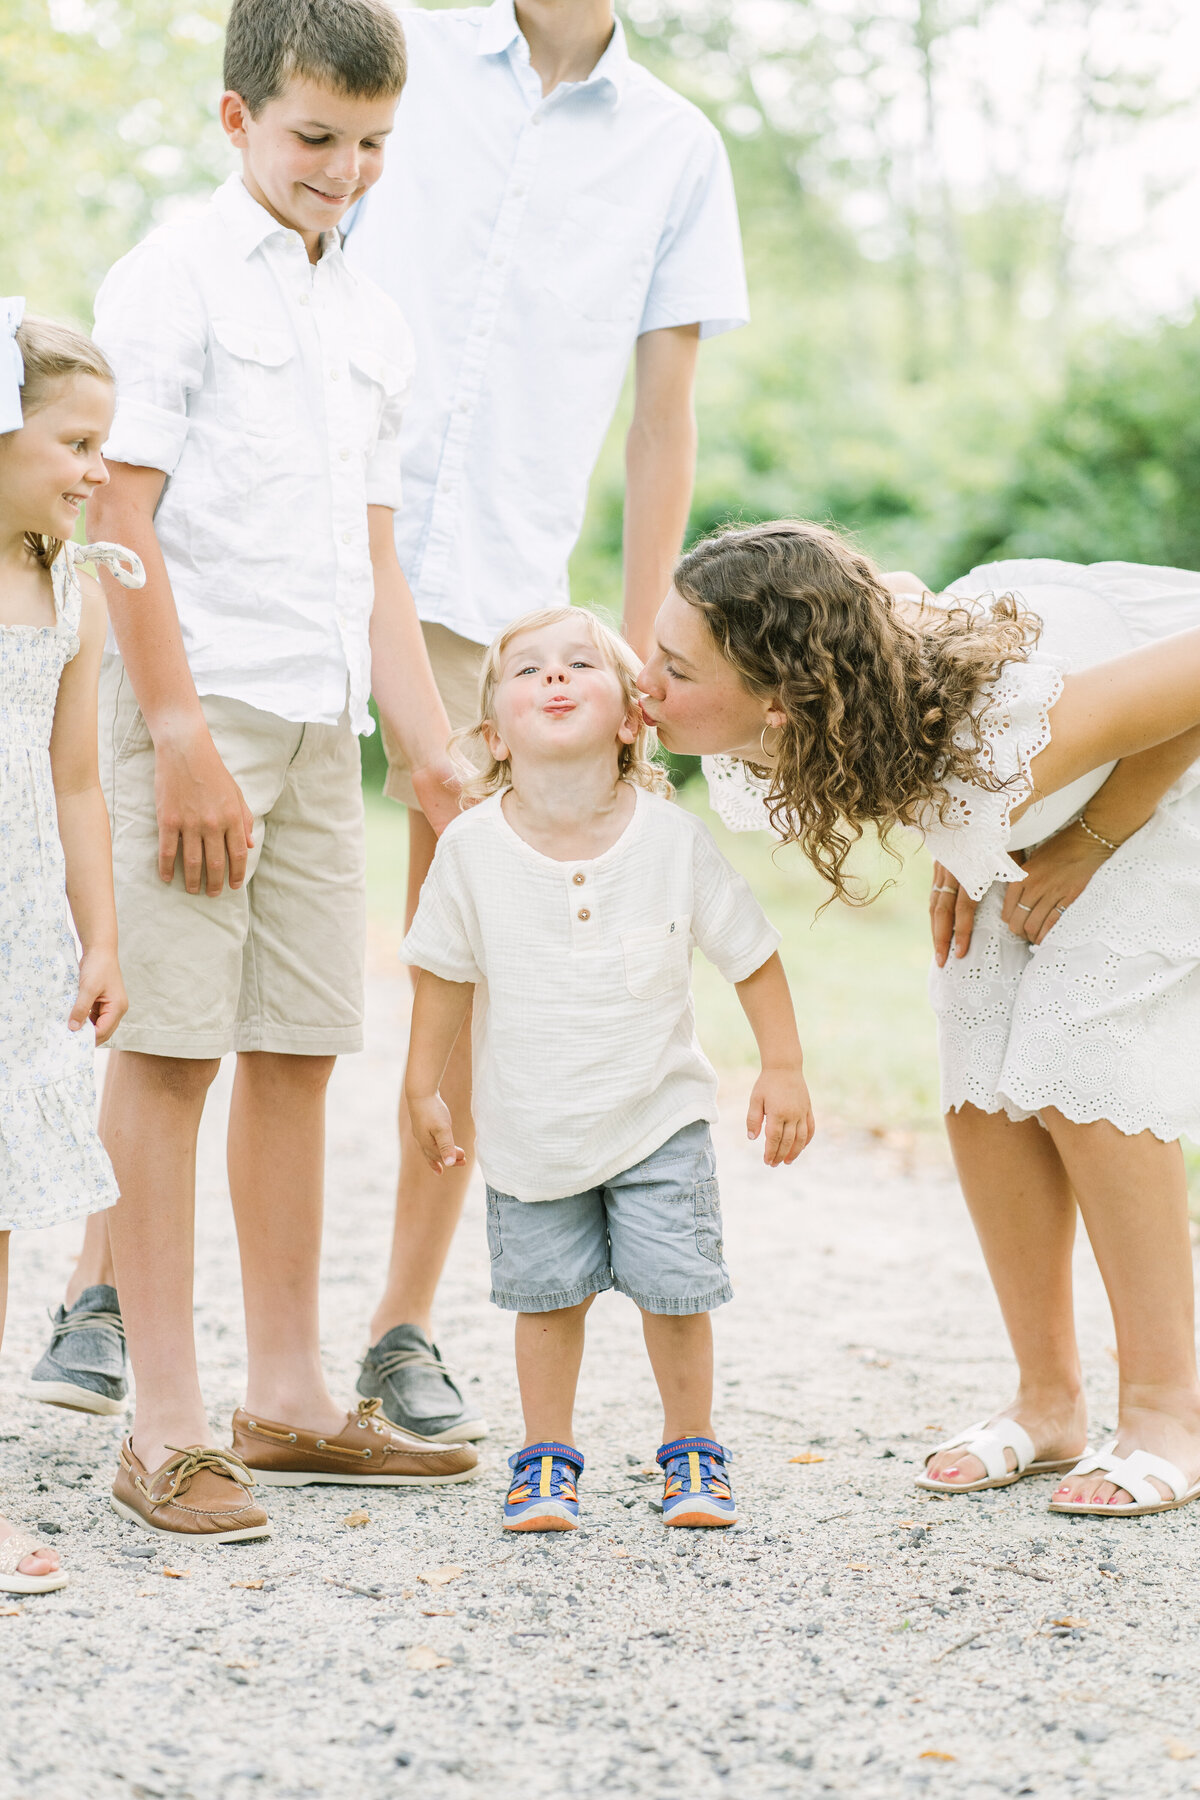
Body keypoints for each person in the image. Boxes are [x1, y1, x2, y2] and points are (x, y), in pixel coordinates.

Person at [63, 0, 477, 1545]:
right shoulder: (168, 278)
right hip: (201, 709)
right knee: (172, 1051)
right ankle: (161, 1423)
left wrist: (426, 751)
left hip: (319, 725)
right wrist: (172, 733)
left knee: (300, 1046)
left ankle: (289, 1394)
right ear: (236, 120)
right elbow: (126, 522)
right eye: (316, 138)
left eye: (373, 146)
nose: (345, 171)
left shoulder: (372, 317)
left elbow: (374, 551)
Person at [342, 0, 749, 1443]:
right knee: (204, 928)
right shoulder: (397, 54)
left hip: (493, 599)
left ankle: (401, 1324)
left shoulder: (677, 146)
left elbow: (661, 421)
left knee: (462, 976)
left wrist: (637, 649)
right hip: (301, 549)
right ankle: (105, 1287)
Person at [638, 518, 1200, 1518]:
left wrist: (1091, 839)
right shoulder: (861, 694)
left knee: (1081, 1040)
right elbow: (933, 724)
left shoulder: (1020, 733)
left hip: (1173, 769)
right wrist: (971, 823)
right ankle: (1047, 1402)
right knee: (975, 1038)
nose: (646, 683)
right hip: (1057, 763)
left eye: (675, 668)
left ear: (781, 699)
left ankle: (1170, 1412)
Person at [401, 605, 813, 1531]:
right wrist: (422, 1084)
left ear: (632, 718)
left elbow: (750, 952)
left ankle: (693, 1451)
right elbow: (444, 974)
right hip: (531, 1131)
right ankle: (546, 1458)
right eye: (528, 671)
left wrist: (781, 1066)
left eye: (580, 664)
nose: (553, 678)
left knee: (676, 1290)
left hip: (658, 1120)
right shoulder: (470, 850)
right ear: (494, 735)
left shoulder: (671, 842)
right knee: (547, 1301)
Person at [0, 305, 143, 1591]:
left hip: (14, 941)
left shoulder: (69, 588)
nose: (97, 469)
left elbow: (80, 783)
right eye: (76, 440)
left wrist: (100, 937)